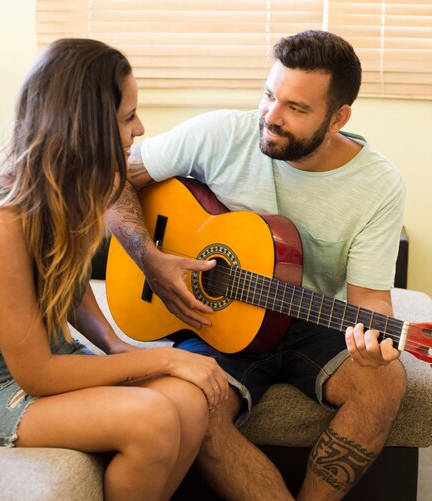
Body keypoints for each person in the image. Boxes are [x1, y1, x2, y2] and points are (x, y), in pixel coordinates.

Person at [108, 30, 407, 500]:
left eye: (297, 108)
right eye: (270, 95)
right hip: (209, 319)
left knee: (386, 380)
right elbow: (116, 181)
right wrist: (151, 259)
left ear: (338, 118)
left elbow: (368, 300)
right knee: (191, 407)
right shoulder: (221, 134)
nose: (271, 116)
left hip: (309, 319)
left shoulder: (378, 186)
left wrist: (377, 342)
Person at [0, 38, 229, 501]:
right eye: (128, 116)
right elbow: (36, 375)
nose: (140, 127)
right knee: (152, 419)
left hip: (49, 350)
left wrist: (113, 344)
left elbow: (66, 280)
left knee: (190, 402)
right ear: (86, 126)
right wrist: (166, 356)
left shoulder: (71, 183)